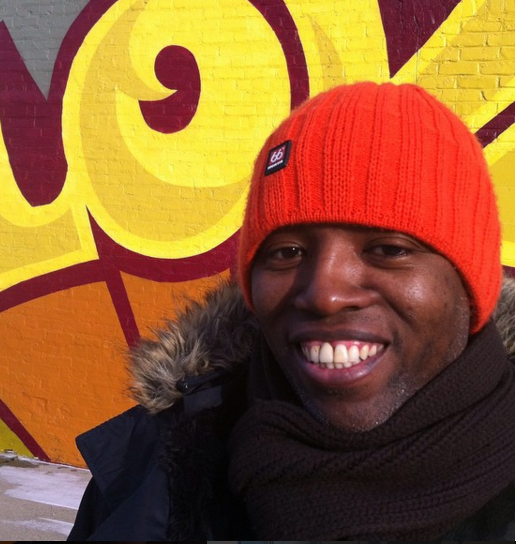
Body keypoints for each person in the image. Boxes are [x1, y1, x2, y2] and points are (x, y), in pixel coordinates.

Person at [68, 82, 514, 541]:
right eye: (287, 252)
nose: (324, 294)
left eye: (389, 249)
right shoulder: (151, 469)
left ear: (469, 286)